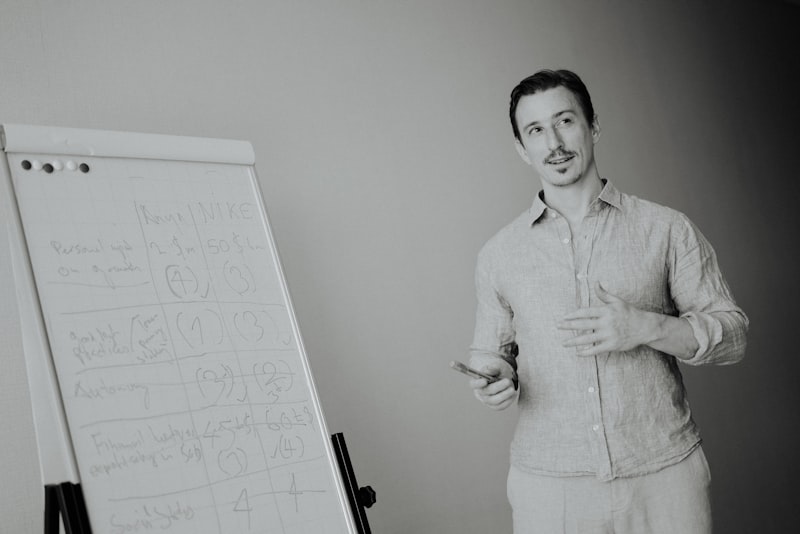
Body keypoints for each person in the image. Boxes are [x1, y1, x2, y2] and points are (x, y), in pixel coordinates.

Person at [467, 69, 748, 534]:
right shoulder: (498, 254)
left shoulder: (667, 228)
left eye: (565, 121)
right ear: (521, 148)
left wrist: (648, 327)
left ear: (592, 126)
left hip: (663, 476)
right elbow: (489, 354)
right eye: (535, 130)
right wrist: (492, 377)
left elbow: (733, 334)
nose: (554, 142)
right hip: (550, 485)